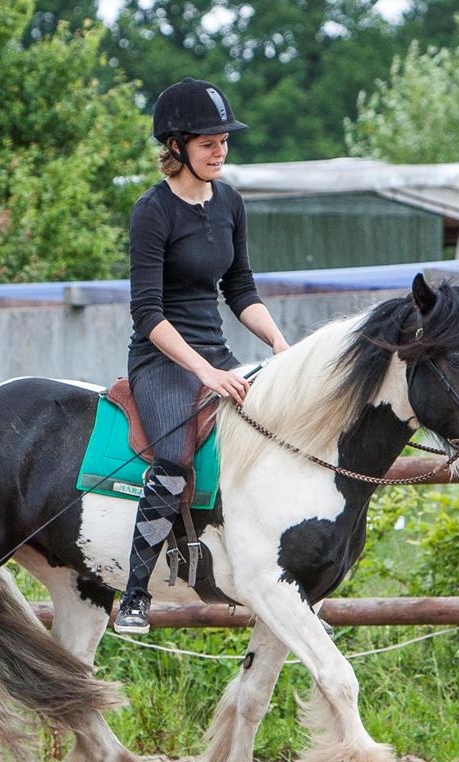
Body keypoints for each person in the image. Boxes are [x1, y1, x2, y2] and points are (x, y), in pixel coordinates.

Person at [114, 77, 289, 635]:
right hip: (162, 359)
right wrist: (205, 371)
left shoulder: (230, 202)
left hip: (216, 351)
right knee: (172, 459)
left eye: (224, 142)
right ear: (177, 146)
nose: (221, 151)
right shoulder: (153, 211)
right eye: (209, 143)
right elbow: (147, 312)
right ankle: (137, 594)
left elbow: (240, 290)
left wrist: (282, 349)